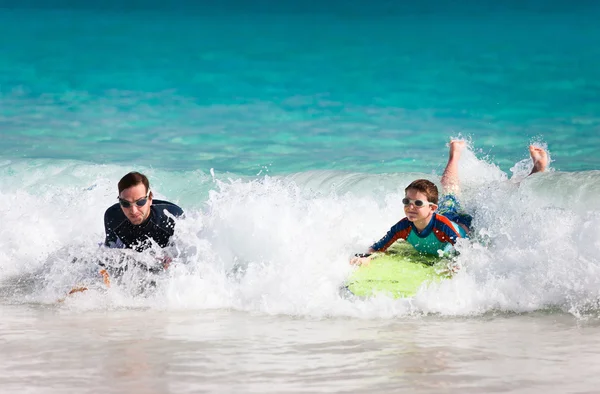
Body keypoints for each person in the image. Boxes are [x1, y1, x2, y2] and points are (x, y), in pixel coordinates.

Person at [351, 141, 548, 265]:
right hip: (445, 214)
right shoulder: (403, 226)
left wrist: (455, 265)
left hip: (464, 220)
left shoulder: (442, 226)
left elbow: (464, 248)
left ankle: (536, 170)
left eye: (417, 203)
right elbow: (379, 246)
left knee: (490, 196)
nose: (410, 207)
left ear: (431, 208)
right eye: (407, 201)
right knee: (450, 192)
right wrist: (366, 257)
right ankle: (455, 152)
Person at [104, 171, 184, 252]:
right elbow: (108, 254)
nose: (134, 211)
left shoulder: (172, 217)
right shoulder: (112, 216)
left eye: (140, 202)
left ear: (150, 199)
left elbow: (188, 256)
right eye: (125, 203)